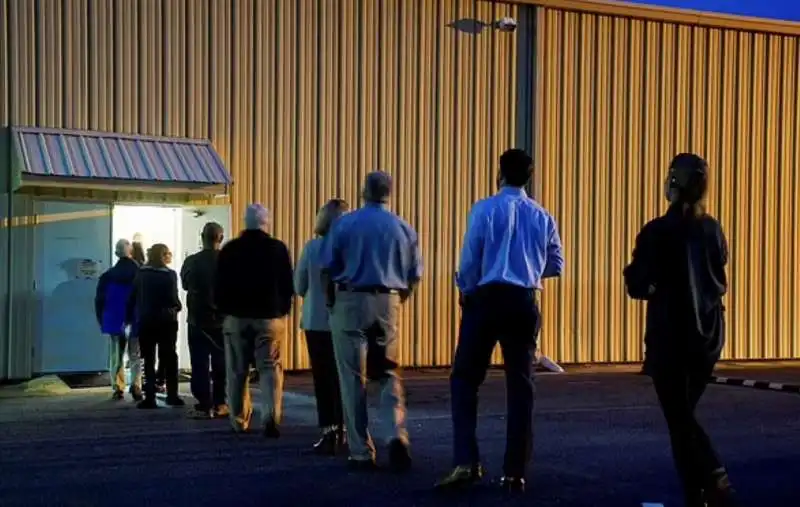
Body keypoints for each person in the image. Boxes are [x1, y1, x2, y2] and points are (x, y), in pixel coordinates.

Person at [436, 148, 564, 493]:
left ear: (500, 173)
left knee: (465, 378)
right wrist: (531, 270)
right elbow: (556, 263)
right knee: (521, 386)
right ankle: (514, 471)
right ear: (530, 175)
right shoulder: (542, 215)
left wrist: (467, 288)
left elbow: (470, 258)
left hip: (486, 299)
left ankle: (466, 461)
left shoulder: (485, 209)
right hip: (523, 301)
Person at [623, 153, 738, 507]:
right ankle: (697, 492)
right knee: (682, 415)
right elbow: (719, 275)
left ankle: (713, 477)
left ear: (673, 184)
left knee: (679, 417)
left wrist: (654, 286)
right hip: (708, 337)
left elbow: (636, 283)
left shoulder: (657, 231)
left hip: (670, 337)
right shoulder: (713, 229)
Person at [320, 171, 423, 472]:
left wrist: (331, 301)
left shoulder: (345, 224)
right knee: (388, 372)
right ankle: (396, 433)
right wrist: (399, 299)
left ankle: (361, 451)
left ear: (363, 191)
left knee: (352, 376)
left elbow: (328, 266)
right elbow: (414, 275)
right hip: (388, 299)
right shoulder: (403, 228)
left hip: (351, 298)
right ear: (389, 193)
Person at [214, 204, 294, 436]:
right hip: (269, 317)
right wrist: (282, 310)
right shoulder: (277, 249)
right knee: (270, 369)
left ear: (244, 221)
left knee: (237, 371)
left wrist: (223, 311)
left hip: (237, 318)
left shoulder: (230, 249)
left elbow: (219, 286)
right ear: (265, 222)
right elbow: (287, 284)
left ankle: (239, 419)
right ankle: (270, 416)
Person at [295, 199, 349, 454]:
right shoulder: (351, 248)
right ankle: (349, 430)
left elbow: (299, 286)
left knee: (323, 378)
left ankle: (329, 431)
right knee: (346, 378)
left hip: (316, 321)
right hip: (346, 320)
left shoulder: (312, 248)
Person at [126, 243, 184, 409]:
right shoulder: (170, 275)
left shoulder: (141, 274)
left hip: (146, 320)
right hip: (167, 321)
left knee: (148, 358)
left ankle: (149, 396)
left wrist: (130, 317)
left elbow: (132, 296)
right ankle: (172, 395)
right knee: (169, 357)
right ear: (163, 255)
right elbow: (174, 300)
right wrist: (177, 307)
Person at [181, 222, 228, 419]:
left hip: (197, 320)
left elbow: (184, 284)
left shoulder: (191, 261)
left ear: (202, 237)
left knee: (199, 363)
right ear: (221, 238)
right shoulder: (228, 261)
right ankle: (220, 402)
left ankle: (203, 402)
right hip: (222, 320)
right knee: (221, 364)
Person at [95, 238, 143, 401]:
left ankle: (118, 387)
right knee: (135, 353)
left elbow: (100, 300)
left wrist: (102, 319)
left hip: (115, 319)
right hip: (135, 318)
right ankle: (136, 385)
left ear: (116, 253)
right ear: (130, 252)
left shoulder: (107, 276)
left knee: (116, 353)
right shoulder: (140, 273)